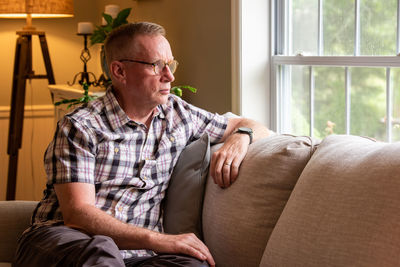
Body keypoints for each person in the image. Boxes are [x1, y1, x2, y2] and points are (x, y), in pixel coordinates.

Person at [14, 22, 270, 267]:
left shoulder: (178, 115)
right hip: (64, 241)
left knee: (192, 263)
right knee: (100, 252)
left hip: (137, 255)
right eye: (156, 65)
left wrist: (241, 137)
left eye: (170, 65)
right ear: (119, 71)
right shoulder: (81, 127)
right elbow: (77, 214)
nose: (169, 76)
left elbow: (251, 124)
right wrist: (160, 240)